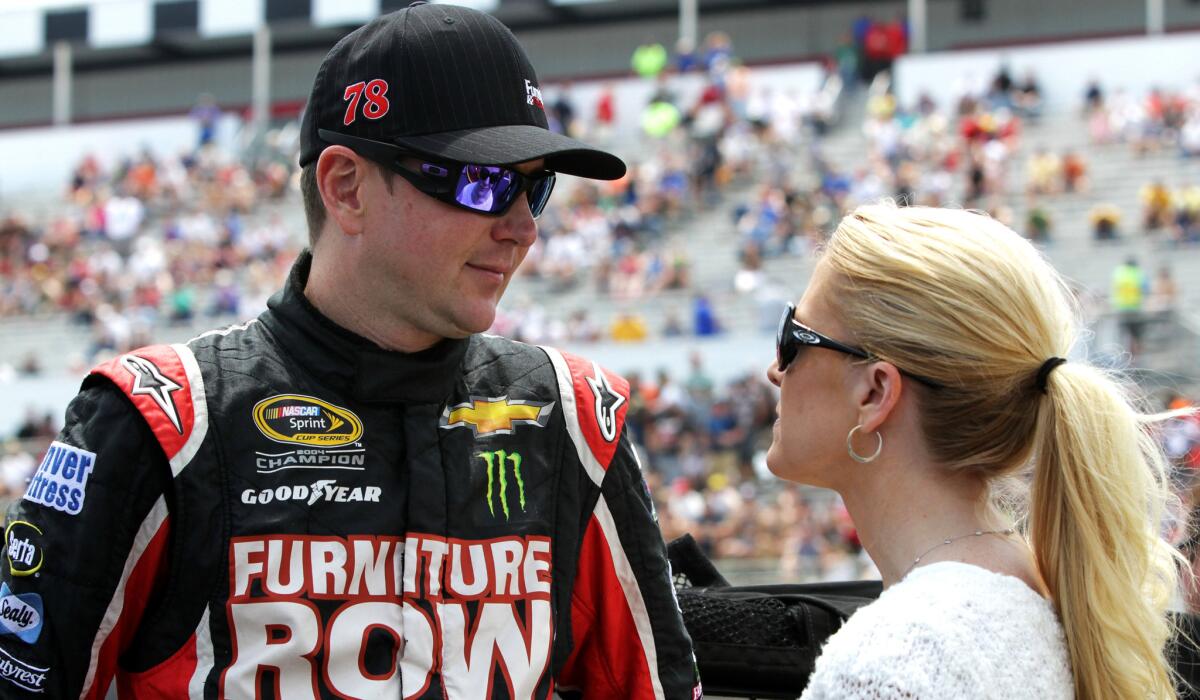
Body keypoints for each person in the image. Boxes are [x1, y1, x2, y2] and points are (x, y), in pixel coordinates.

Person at [0, 5, 700, 699]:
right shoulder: (162, 419)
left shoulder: (575, 418)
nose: (522, 227)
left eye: (535, 187)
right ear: (346, 187)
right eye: (483, 182)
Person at [767, 203, 1182, 699]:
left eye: (794, 336)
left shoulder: (894, 660)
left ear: (875, 392)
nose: (776, 369)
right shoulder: (1041, 594)